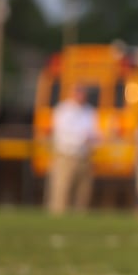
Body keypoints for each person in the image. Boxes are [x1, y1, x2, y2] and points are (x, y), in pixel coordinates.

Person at [47, 86, 100, 215]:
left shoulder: (89, 111)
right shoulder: (63, 110)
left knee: (82, 193)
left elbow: (95, 133)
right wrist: (82, 138)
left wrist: (95, 140)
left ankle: (79, 221)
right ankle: (57, 218)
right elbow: (62, 133)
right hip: (66, 156)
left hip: (84, 157)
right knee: (62, 191)